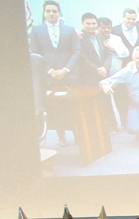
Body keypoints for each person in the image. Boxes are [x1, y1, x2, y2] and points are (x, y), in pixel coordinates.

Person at [28, 0, 81, 146]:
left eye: (54, 11)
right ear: (44, 13)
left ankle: (78, 134)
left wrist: (65, 70)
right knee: (55, 108)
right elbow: (33, 52)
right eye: (48, 11)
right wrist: (50, 70)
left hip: (68, 76)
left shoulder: (69, 30)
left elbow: (77, 50)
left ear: (59, 13)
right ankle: (61, 136)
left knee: (73, 105)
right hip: (49, 77)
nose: (51, 14)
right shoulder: (37, 30)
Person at [77, 13, 109, 86]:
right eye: (88, 24)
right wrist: (97, 70)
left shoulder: (101, 36)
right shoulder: (78, 38)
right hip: (87, 77)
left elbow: (108, 54)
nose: (91, 26)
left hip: (104, 75)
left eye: (94, 23)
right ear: (82, 24)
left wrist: (104, 68)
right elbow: (82, 57)